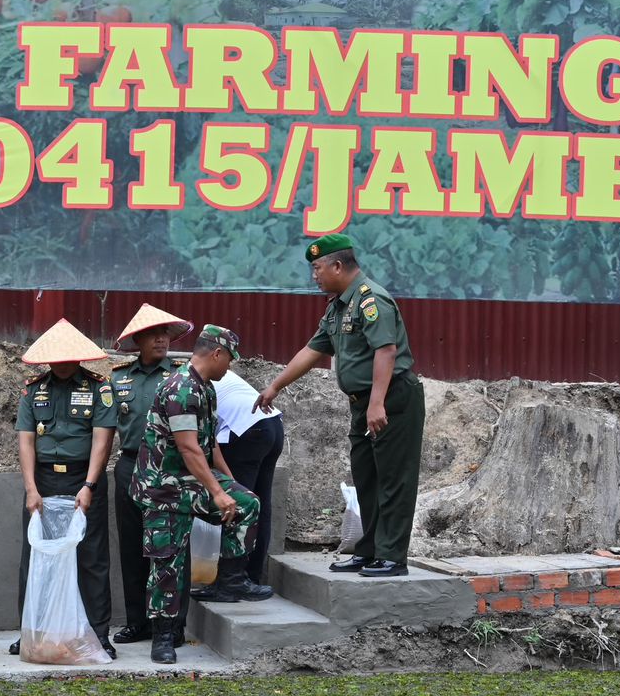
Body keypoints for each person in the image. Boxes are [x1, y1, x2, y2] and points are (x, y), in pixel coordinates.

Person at [253, 233, 424, 578]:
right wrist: (275, 385)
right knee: (367, 478)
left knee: (393, 479)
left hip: (392, 400)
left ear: (337, 265)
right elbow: (312, 350)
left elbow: (386, 350)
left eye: (317, 268)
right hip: (363, 404)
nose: (313, 275)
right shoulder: (338, 307)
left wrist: (377, 404)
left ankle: (392, 557)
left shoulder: (370, 299)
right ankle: (369, 551)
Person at [135, 325, 273, 665]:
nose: (230, 367)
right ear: (216, 353)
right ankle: (164, 636)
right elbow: (188, 448)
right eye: (229, 359)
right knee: (168, 563)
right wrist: (216, 491)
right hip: (163, 486)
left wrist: (231, 487)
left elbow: (210, 448)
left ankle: (230, 579)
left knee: (247, 504)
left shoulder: (206, 388)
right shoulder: (181, 388)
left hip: (193, 479)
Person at [10, 318, 117, 660]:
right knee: (36, 557)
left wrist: (89, 485)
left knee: (91, 559)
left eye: (69, 356)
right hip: (42, 480)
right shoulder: (33, 389)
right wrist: (30, 489)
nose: (62, 362)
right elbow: (26, 441)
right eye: (56, 357)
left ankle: (99, 635)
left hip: (81, 480)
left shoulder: (99, 388)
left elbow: (103, 440)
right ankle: (30, 634)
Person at [108, 303, 193, 646]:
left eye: (166, 335)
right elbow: (106, 426)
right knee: (131, 548)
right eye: (154, 335)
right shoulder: (118, 378)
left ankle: (173, 626)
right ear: (139, 340)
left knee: (171, 549)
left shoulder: (179, 375)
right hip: (129, 465)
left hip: (169, 468)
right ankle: (138, 622)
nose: (161, 340)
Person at [209, 368, 284, 588]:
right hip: (272, 424)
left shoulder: (185, 383)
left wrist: (230, 484)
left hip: (245, 430)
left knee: (239, 507)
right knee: (260, 504)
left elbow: (202, 442)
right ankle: (252, 576)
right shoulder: (211, 373)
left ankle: (233, 580)